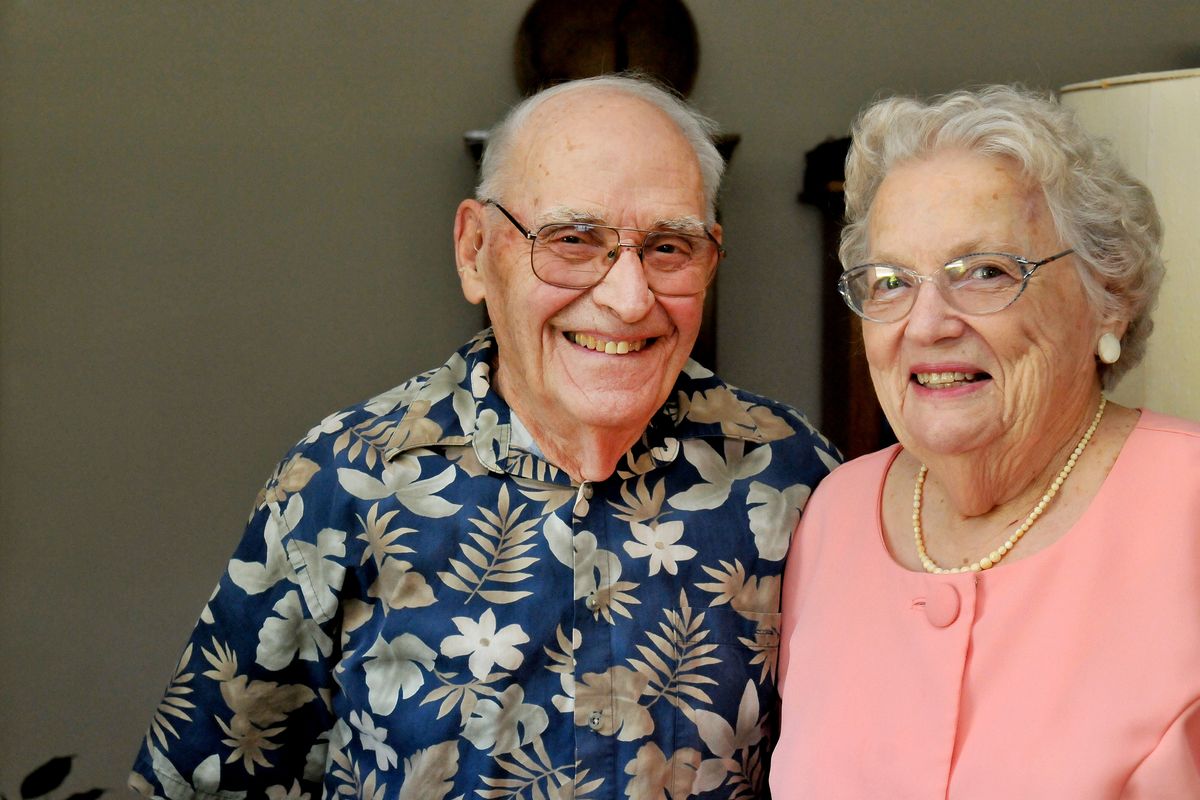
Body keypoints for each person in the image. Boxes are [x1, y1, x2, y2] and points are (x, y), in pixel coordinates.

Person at [129, 74, 838, 799]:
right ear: (475, 251)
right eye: (572, 239)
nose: (629, 299)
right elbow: (206, 780)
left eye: (669, 247)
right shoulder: (344, 480)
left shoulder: (794, 481)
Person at [770, 84, 1200, 798]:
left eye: (985, 272)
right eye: (889, 282)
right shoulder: (834, 514)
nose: (927, 322)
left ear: (1109, 296)